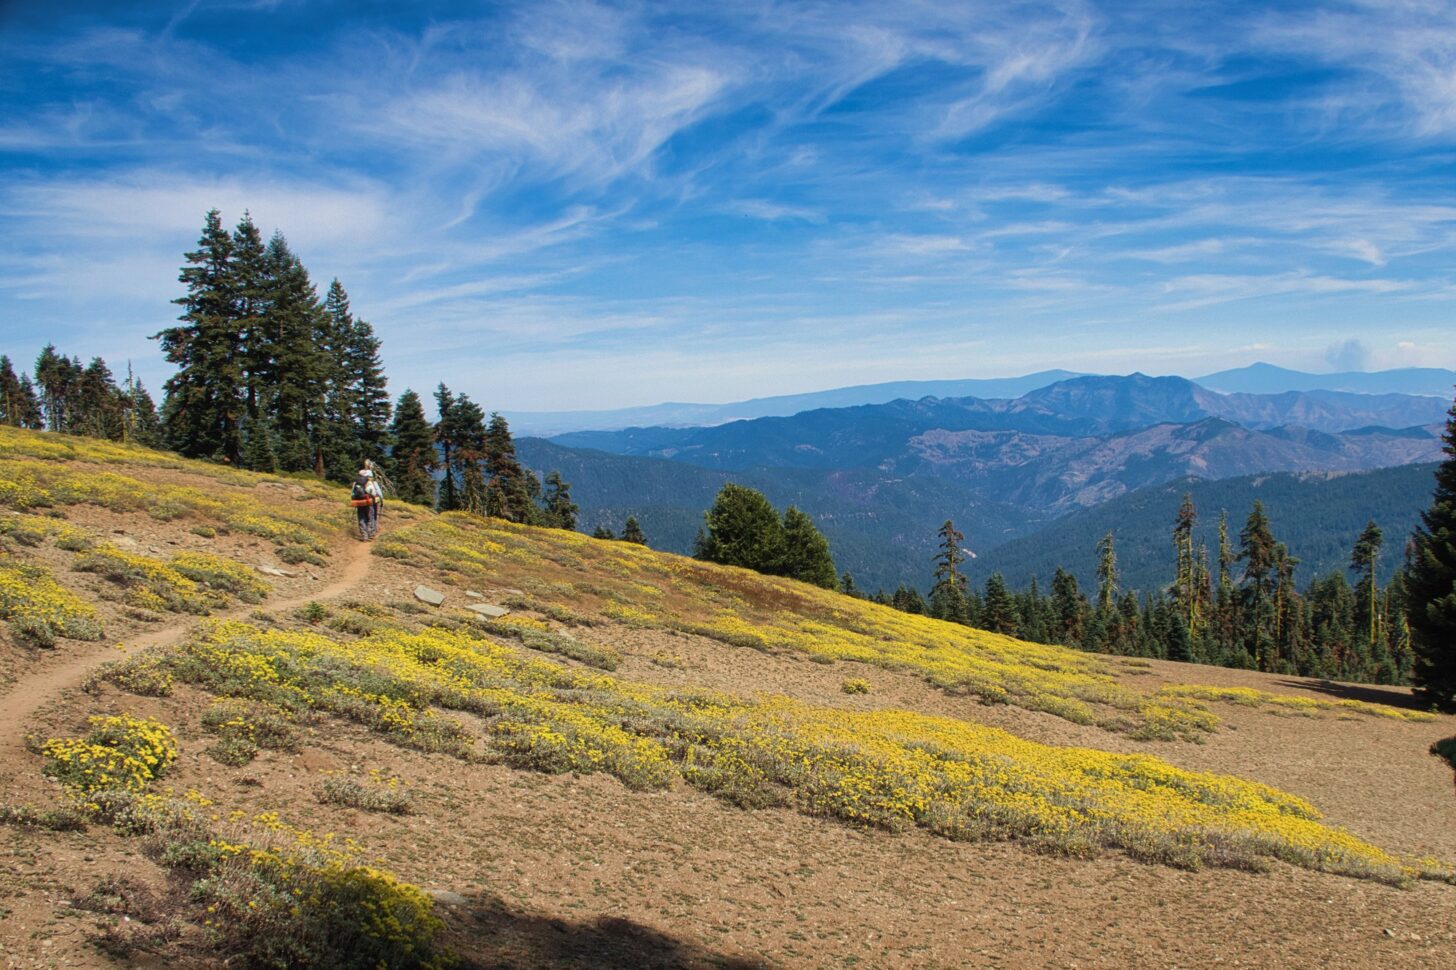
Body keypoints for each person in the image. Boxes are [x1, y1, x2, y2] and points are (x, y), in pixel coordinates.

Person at [351, 468, 384, 540]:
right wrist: (380, 500)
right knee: (370, 517)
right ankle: (370, 534)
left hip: (359, 503)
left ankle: (364, 535)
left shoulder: (356, 483)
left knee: (361, 518)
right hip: (369, 502)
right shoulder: (369, 482)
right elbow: (374, 493)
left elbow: (352, 494)